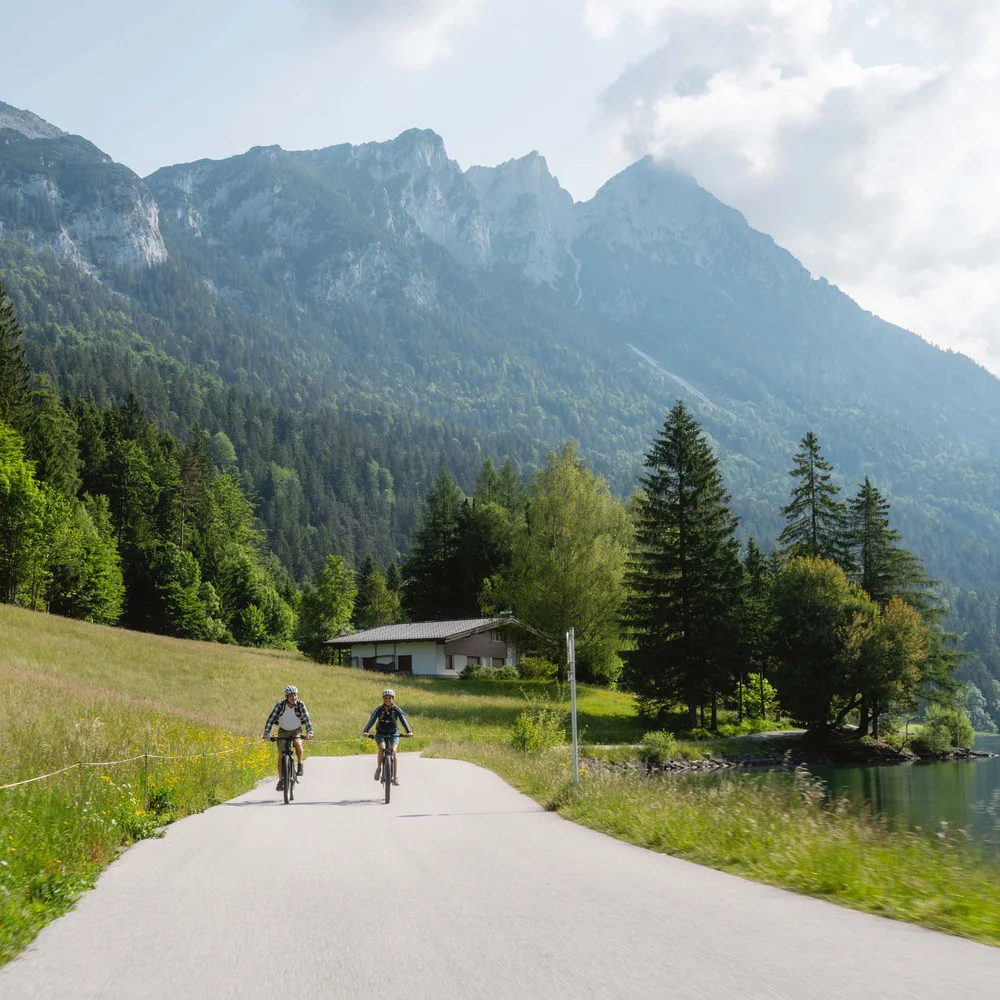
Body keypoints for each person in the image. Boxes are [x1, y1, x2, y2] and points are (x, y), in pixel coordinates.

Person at [263, 685, 314, 790]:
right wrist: (266, 733)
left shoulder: (300, 705)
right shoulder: (280, 705)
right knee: (281, 754)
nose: (293, 697)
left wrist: (310, 732)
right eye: (291, 695)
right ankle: (281, 780)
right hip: (283, 731)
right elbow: (271, 719)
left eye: (295, 695)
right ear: (286, 697)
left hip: (296, 730)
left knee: (298, 743)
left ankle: (300, 764)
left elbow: (306, 718)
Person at [362, 689, 413, 786]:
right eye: (386, 698)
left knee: (394, 752)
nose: (387, 700)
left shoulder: (396, 709)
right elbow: (372, 720)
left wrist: (409, 731)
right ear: (383, 699)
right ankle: (379, 768)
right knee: (382, 748)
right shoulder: (379, 709)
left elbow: (403, 720)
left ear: (393, 699)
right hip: (380, 733)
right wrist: (366, 731)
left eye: (389, 698)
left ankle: (395, 776)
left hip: (393, 733)